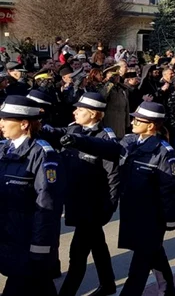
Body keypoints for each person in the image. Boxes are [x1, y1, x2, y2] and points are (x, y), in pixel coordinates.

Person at [61, 101, 175, 296]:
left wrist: (170, 219)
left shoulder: (165, 154)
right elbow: (106, 147)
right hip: (133, 213)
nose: (132, 121)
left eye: (137, 119)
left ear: (151, 125)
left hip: (152, 217)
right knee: (155, 254)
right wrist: (78, 141)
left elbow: (169, 191)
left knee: (138, 268)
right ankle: (168, 292)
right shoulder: (130, 141)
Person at [38, 93, 120, 296]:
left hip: (93, 206)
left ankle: (66, 293)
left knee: (78, 253)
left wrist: (109, 206)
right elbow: (53, 132)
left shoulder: (104, 138)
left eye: (80, 109)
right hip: (76, 202)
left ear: (93, 114)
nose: (75, 111)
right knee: (98, 246)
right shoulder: (73, 128)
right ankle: (108, 284)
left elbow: (113, 176)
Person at [0, 96, 65, 296]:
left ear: (24, 123)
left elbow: (46, 205)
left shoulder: (43, 154)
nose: (1, 124)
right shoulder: (4, 149)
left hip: (28, 240)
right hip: (9, 235)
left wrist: (40, 247)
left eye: (5, 119)